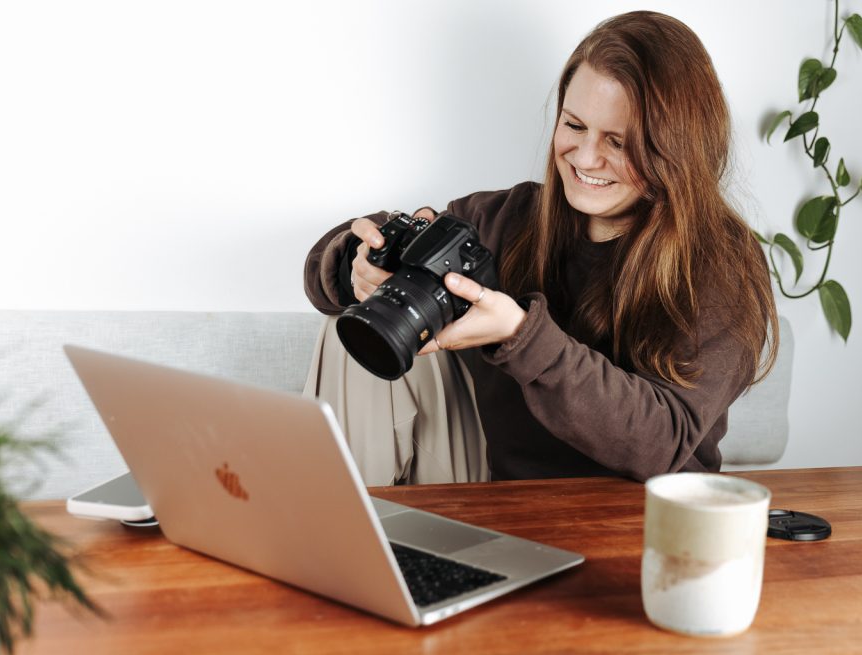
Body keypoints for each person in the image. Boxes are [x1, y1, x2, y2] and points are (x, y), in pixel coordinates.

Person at [304, 10, 778, 483]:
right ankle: (340, 550)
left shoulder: (723, 263)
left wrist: (521, 336)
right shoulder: (507, 218)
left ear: (675, 149)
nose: (586, 157)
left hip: (640, 513)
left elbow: (661, 444)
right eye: (574, 126)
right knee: (353, 328)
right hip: (498, 492)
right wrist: (361, 260)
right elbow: (328, 271)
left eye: (618, 141)